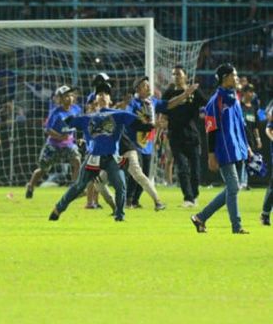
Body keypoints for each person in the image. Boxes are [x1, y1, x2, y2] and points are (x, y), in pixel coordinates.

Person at [49, 82, 154, 222]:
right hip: (93, 158)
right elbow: (66, 122)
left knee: (120, 185)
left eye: (106, 93)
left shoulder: (120, 115)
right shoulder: (87, 118)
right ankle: (57, 209)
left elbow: (141, 126)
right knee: (79, 186)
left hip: (111, 157)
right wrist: (66, 110)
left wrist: (150, 123)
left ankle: (119, 216)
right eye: (99, 94)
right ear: (95, 99)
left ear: (110, 99)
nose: (103, 96)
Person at [190, 64, 250, 234]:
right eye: (234, 75)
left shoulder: (234, 98)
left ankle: (201, 217)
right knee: (233, 188)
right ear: (225, 77)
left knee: (233, 188)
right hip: (224, 150)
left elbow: (240, 125)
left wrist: (248, 147)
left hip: (237, 148)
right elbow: (211, 129)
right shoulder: (215, 101)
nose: (237, 78)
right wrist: (211, 155)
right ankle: (236, 226)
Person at [125, 76, 198, 210]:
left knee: (145, 174)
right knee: (137, 174)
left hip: (147, 145)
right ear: (138, 89)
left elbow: (169, 104)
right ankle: (128, 200)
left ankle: (134, 201)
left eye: (148, 84)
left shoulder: (152, 102)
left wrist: (185, 94)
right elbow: (130, 121)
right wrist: (151, 125)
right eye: (145, 85)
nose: (148, 87)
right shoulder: (133, 104)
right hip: (134, 144)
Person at [162, 65, 207, 208]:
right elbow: (164, 110)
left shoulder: (194, 91)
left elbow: (207, 103)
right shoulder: (168, 93)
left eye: (179, 74)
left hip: (192, 136)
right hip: (175, 136)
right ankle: (188, 198)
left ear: (185, 76)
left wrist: (206, 113)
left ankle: (194, 196)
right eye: (174, 74)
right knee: (182, 168)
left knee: (195, 170)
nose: (176, 77)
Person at [25, 85, 81, 199]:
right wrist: (60, 136)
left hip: (68, 144)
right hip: (54, 145)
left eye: (70, 95)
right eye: (66, 96)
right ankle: (31, 186)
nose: (69, 98)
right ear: (60, 98)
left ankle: (75, 188)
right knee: (43, 169)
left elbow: (78, 124)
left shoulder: (77, 109)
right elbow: (47, 129)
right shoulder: (55, 113)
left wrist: (77, 137)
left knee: (77, 161)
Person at [238, 83, 263, 190]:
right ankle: (240, 182)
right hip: (240, 137)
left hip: (250, 139)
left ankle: (245, 183)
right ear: (244, 92)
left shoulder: (253, 108)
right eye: (249, 91)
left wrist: (258, 139)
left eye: (252, 92)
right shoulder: (239, 106)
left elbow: (255, 126)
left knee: (249, 161)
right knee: (240, 160)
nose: (251, 94)